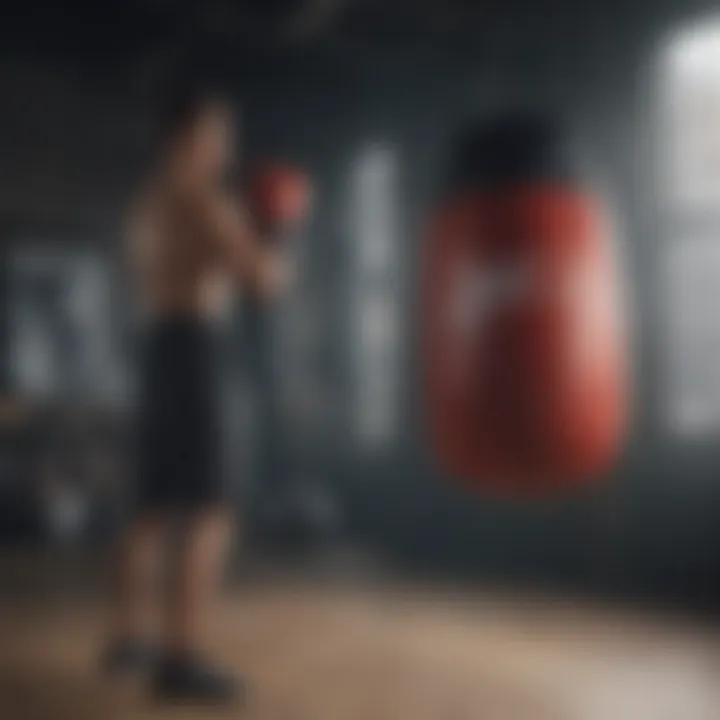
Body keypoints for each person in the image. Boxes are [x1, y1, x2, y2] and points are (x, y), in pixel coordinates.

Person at [102, 78, 285, 703]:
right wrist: (281, 232)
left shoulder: (146, 201)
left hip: (156, 348)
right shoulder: (206, 200)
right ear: (192, 135)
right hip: (196, 352)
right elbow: (261, 281)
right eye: (219, 132)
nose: (227, 144)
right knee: (211, 511)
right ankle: (181, 659)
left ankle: (129, 639)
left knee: (152, 507)